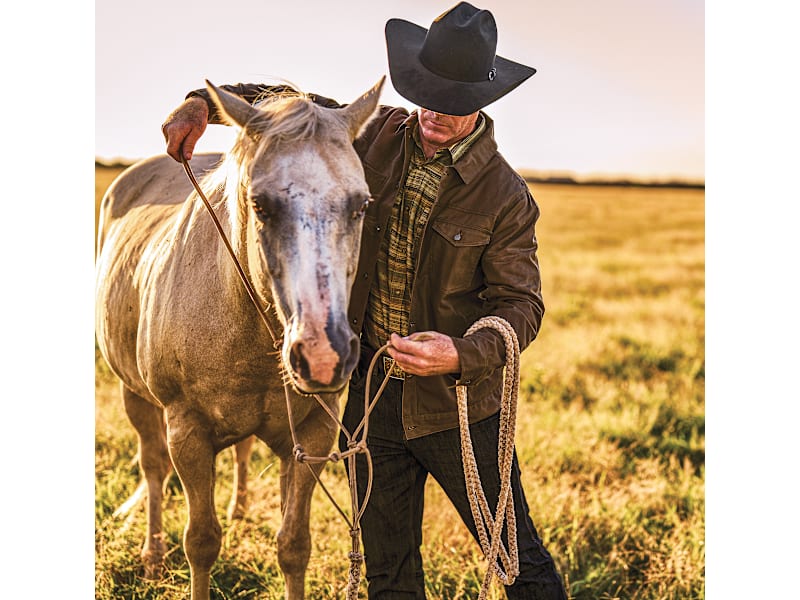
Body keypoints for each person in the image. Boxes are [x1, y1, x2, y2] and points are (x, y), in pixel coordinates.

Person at [162, 3, 568, 598]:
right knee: (388, 572)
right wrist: (197, 106)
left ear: (483, 100)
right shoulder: (372, 132)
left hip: (454, 406)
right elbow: (278, 101)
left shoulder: (505, 195)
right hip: (373, 397)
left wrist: (460, 352)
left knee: (518, 560)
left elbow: (520, 305)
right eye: (425, 91)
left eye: (454, 101)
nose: (436, 110)